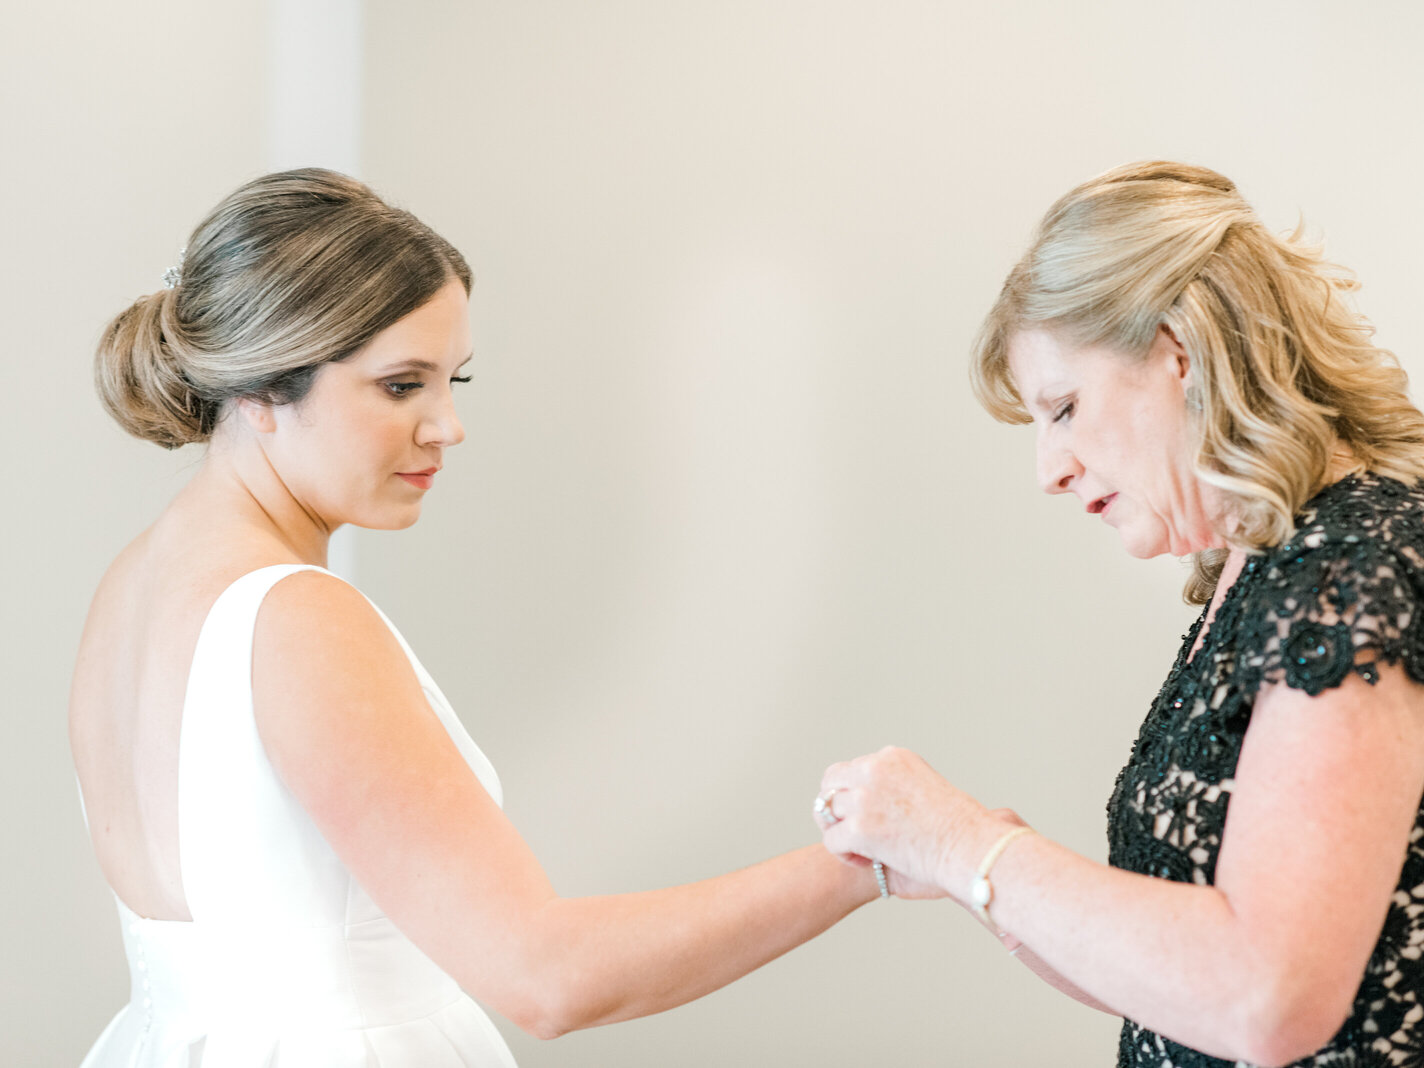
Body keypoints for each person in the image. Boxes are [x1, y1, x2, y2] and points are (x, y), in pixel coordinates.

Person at [71, 168, 916, 1066]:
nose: (448, 425)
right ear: (260, 392)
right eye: (402, 386)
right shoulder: (295, 617)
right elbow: (548, 976)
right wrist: (871, 860)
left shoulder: (129, 588)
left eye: (452, 379)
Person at [814, 161, 1424, 1067]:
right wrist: (969, 872)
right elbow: (1184, 986)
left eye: (1064, 408)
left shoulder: (1364, 572)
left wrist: (966, 843)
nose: (1049, 467)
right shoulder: (1274, 571)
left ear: (1179, 350)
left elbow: (1264, 998)